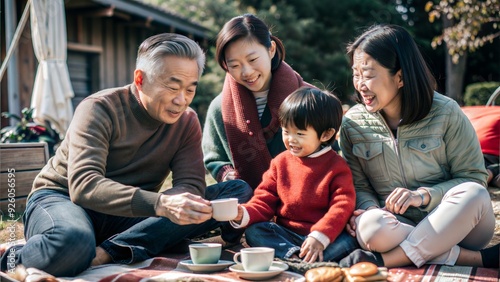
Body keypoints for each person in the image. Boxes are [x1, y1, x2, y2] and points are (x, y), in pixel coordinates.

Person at [0, 33, 252, 277]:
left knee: (235, 191)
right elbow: (84, 186)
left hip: (129, 214)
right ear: (140, 79)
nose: (181, 100)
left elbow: (191, 185)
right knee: (72, 243)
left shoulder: (186, 122)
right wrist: (162, 205)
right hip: (64, 200)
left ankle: (109, 251)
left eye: (189, 89)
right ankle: (13, 258)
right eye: (172, 86)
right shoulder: (98, 108)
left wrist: (181, 204)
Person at [338, 24, 498, 268]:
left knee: (474, 194)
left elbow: (473, 179)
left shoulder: (446, 112)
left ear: (400, 77)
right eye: (355, 74)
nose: (360, 84)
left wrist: (422, 196)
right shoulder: (352, 123)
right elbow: (358, 186)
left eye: (368, 74)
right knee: (371, 226)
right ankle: (476, 260)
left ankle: (385, 261)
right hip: (395, 227)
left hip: (459, 226)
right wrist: (369, 209)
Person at [230, 87, 358, 263]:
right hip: (288, 235)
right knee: (255, 231)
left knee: (350, 240)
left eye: (300, 133)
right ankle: (298, 260)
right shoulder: (280, 162)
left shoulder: (336, 166)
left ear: (326, 134)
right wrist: (243, 212)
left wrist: (320, 235)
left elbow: (342, 205)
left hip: (324, 237)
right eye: (286, 131)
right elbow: (264, 198)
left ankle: (299, 261)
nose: (291, 139)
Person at [202, 13, 315, 189]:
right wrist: (225, 173)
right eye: (235, 65)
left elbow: (330, 150)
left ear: (271, 49)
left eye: (252, 59)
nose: (246, 72)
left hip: (306, 198)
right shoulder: (219, 108)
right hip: (247, 206)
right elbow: (214, 156)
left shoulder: (310, 98)